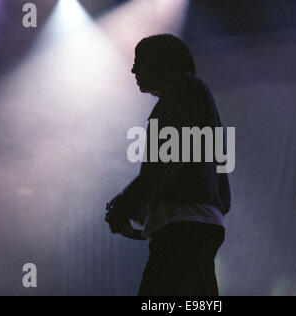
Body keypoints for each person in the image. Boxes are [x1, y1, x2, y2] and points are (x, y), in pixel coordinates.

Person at [106, 34, 231, 296]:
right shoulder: (201, 102)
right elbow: (222, 192)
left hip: (181, 234)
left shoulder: (181, 86)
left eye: (139, 61)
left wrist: (128, 204)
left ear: (161, 61)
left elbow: (169, 158)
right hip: (200, 230)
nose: (133, 69)